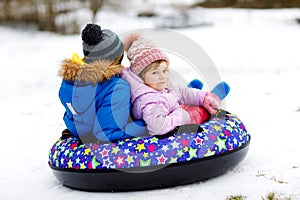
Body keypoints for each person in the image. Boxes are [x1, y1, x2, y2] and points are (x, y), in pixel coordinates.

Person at [121, 33, 229, 136]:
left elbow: (180, 91)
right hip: (175, 118)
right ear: (141, 76)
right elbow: (158, 127)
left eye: (164, 71)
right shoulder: (150, 101)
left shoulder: (156, 84)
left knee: (186, 93)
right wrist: (180, 115)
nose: (162, 76)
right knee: (199, 111)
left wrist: (204, 98)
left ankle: (206, 96)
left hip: (172, 109)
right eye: (155, 72)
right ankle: (216, 95)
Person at [58, 24, 146, 143]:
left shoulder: (69, 81)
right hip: (101, 137)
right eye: (120, 58)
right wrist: (146, 124)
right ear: (113, 60)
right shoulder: (117, 87)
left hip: (78, 131)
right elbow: (107, 134)